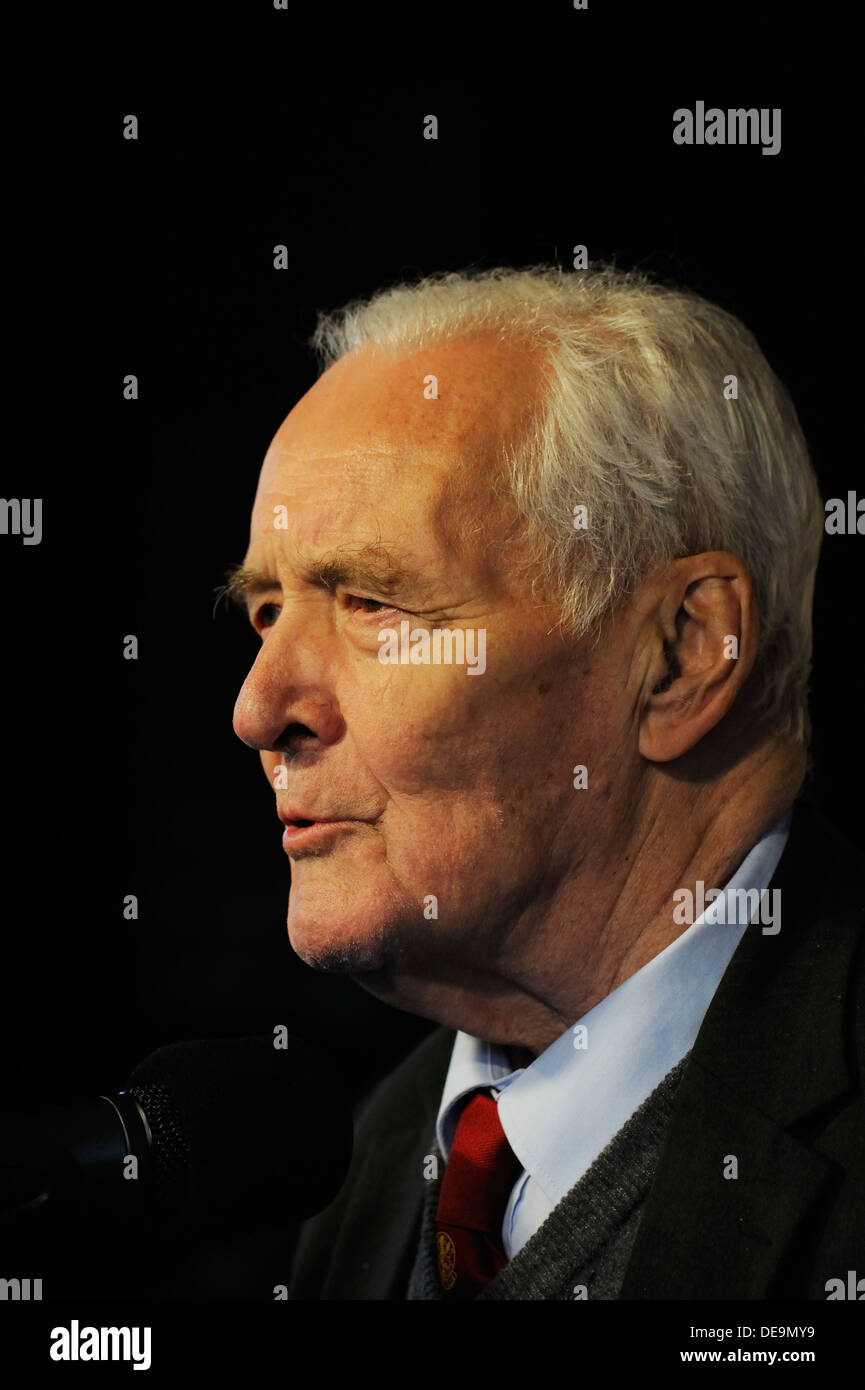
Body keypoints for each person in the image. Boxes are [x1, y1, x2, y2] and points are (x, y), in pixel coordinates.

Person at [227, 265, 864, 1300]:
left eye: (374, 601)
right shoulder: (376, 1156)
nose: (258, 710)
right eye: (266, 611)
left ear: (680, 653)